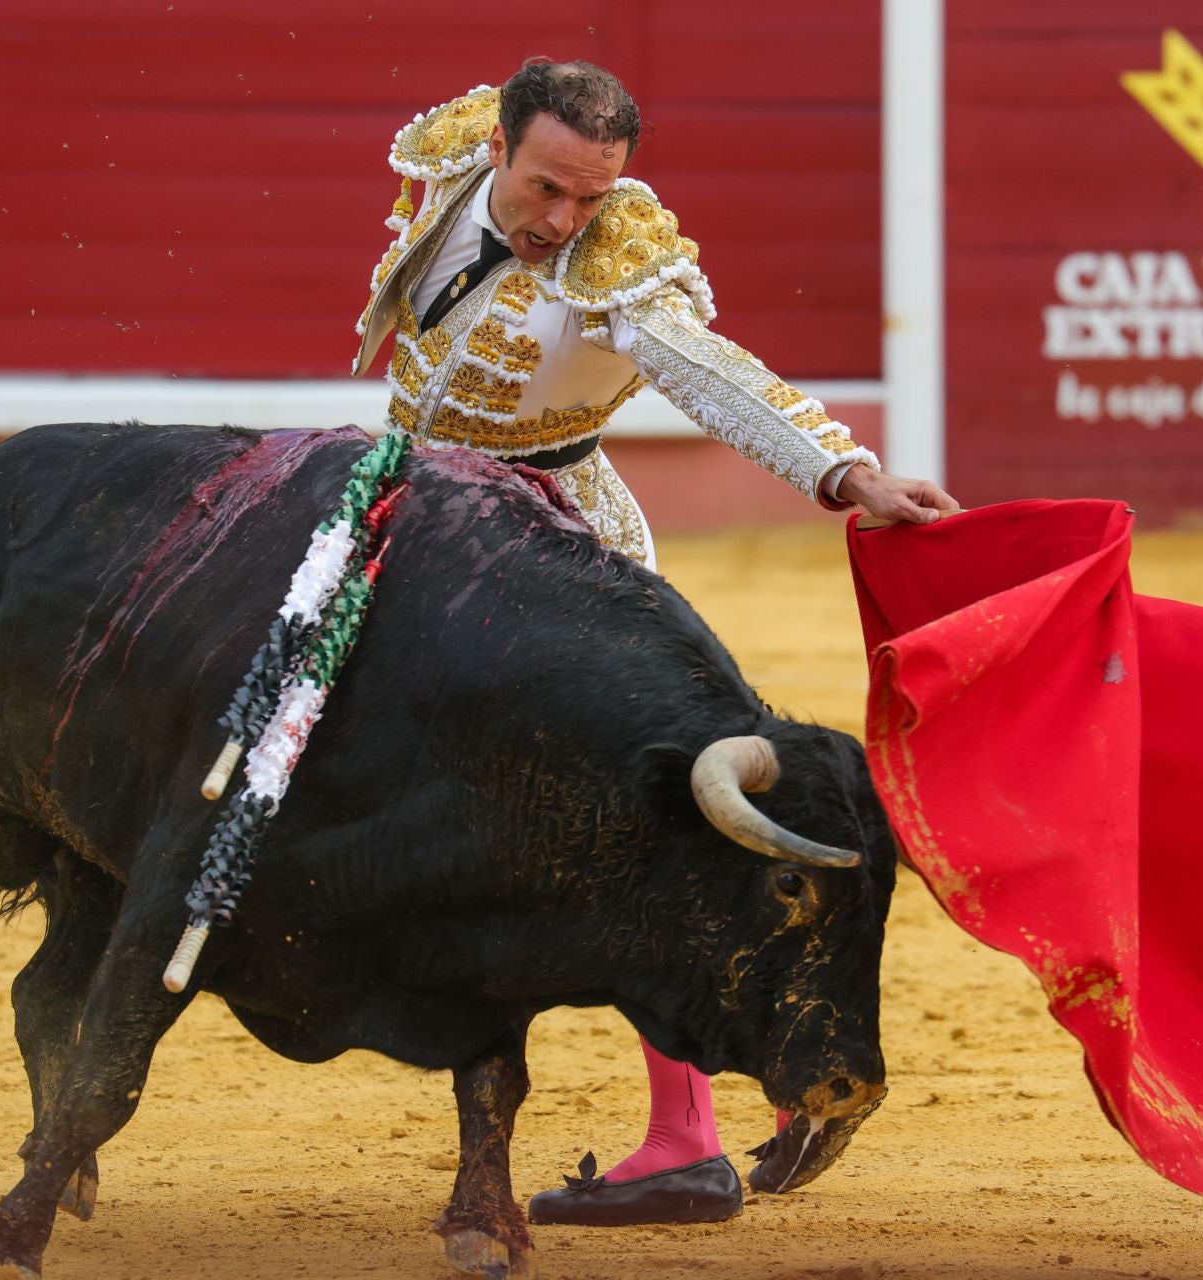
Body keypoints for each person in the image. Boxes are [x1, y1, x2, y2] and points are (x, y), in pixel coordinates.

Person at [350, 58, 957, 1227]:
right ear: (498, 147)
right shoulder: (454, 148)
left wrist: (847, 472)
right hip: (412, 518)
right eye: (545, 189)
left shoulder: (621, 258)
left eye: (592, 194)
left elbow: (714, 374)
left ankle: (698, 1125)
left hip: (557, 552)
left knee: (637, 827)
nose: (564, 219)